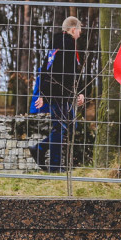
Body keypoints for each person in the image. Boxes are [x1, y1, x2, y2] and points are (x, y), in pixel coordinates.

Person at [33, 17, 85, 171]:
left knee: (68, 126)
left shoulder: (58, 44)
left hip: (61, 93)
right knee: (60, 127)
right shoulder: (66, 45)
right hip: (59, 93)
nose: (81, 33)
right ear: (73, 29)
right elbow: (60, 72)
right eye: (80, 29)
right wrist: (44, 94)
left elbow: (47, 68)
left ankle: (40, 149)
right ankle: (54, 166)